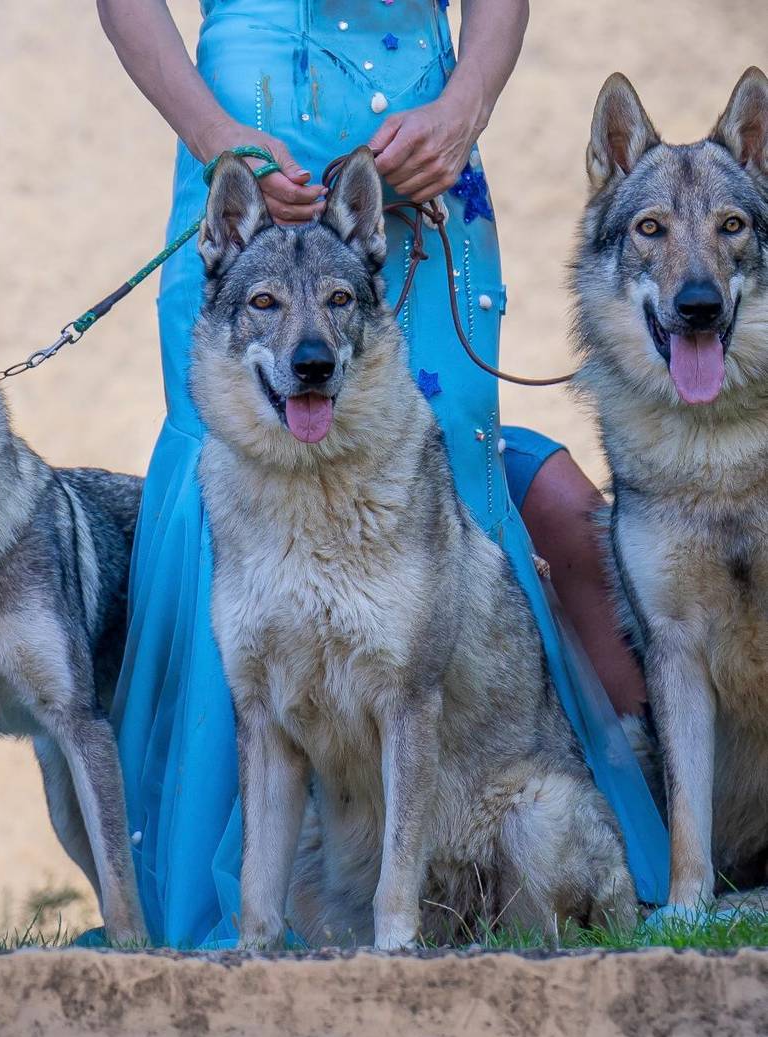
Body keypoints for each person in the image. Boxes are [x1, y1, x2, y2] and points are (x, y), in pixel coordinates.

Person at [97, 0, 667, 947]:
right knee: (241, 455)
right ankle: (224, 918)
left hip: (421, 136)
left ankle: (456, 891)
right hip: (242, 130)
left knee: (434, 469)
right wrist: (215, 136)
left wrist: (466, 105)